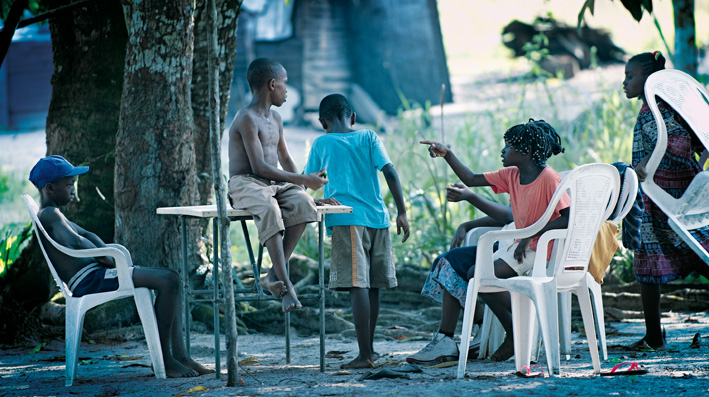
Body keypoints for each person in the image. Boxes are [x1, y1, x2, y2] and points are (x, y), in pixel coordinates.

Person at [29, 155, 214, 378]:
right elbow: (76, 241)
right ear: (49, 187)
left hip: (96, 274)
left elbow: (86, 234)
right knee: (169, 280)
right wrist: (104, 256)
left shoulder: (53, 213)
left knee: (171, 277)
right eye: (69, 185)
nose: (73, 190)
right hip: (90, 281)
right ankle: (166, 360)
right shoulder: (50, 214)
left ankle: (180, 357)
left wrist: (106, 255)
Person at [407, 119, 570, 364]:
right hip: (517, 246)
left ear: (525, 152)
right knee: (478, 274)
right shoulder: (512, 175)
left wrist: (531, 235)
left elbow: (567, 218)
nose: (502, 151)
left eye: (508, 147)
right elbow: (471, 179)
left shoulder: (549, 178)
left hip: (538, 249)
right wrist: (448, 155)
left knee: (479, 276)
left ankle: (517, 327)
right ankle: (514, 329)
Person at [304, 94, 410, 369]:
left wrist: (311, 200)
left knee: (357, 286)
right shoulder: (370, 137)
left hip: (346, 219)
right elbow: (391, 172)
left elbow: (308, 183)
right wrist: (402, 212)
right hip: (379, 219)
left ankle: (364, 356)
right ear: (352, 117)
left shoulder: (322, 142)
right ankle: (370, 351)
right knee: (373, 287)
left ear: (322, 122)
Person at [228, 58, 333, 313]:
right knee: (269, 208)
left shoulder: (275, 117)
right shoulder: (246, 118)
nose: (287, 90)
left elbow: (285, 158)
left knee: (304, 204)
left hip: (274, 184)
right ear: (272, 84)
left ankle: (271, 276)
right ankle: (286, 284)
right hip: (246, 183)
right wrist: (304, 179)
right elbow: (259, 168)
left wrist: (303, 190)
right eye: (284, 84)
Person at [622, 51, 709, 350]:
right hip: (686, 192)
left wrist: (645, 162)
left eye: (630, 76)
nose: (624, 82)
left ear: (648, 79)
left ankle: (654, 337)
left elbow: (674, 144)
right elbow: (699, 142)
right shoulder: (674, 106)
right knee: (698, 252)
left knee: (648, 263)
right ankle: (653, 336)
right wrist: (698, 170)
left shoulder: (652, 111)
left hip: (661, 194)